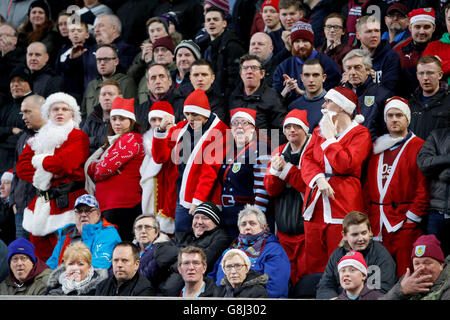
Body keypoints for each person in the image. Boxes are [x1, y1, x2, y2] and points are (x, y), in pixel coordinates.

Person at [301, 86, 372, 276]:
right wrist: (319, 179)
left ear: (341, 107)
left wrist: (331, 139)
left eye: (328, 101)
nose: (323, 105)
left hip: (343, 201)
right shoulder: (318, 131)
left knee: (342, 258)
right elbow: (306, 160)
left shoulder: (360, 134)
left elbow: (345, 164)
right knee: (314, 258)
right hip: (316, 202)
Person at [15, 92, 89, 261]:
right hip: (41, 205)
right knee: (42, 259)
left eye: (65, 109)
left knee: (68, 256)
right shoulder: (36, 139)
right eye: (55, 109)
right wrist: (52, 170)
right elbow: (22, 168)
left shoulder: (78, 136)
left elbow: (65, 164)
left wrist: (39, 161)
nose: (60, 112)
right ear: (48, 113)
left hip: (68, 203)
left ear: (73, 114)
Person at [364, 96, 429, 277]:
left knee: (404, 274)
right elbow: (368, 186)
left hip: (404, 223)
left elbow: (423, 187)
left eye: (399, 115)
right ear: (385, 119)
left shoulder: (418, 146)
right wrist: (367, 216)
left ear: (407, 119)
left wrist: (411, 218)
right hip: (377, 223)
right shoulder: (377, 147)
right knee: (376, 275)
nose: (394, 119)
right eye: (390, 115)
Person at [152, 89, 228, 232]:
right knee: (181, 242)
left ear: (205, 114)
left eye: (194, 114)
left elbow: (209, 170)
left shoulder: (221, 132)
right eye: (187, 114)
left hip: (202, 200)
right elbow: (160, 157)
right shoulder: (181, 127)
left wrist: (197, 201)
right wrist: (161, 131)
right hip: (180, 194)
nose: (190, 119)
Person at [86, 97, 144, 242]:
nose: (117, 123)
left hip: (122, 206)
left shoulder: (130, 138)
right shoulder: (113, 142)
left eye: (122, 119)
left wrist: (101, 167)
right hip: (112, 206)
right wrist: (103, 167)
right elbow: (96, 169)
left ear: (131, 121)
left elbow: (101, 171)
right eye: (114, 119)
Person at [264, 109, 311, 285]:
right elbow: (271, 189)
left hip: (306, 230)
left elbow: (309, 186)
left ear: (305, 129)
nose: (292, 130)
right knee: (285, 278)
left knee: (305, 278)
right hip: (283, 229)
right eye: (288, 127)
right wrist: (275, 173)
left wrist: (286, 170)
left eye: (296, 126)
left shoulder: (312, 149)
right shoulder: (279, 151)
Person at [209, 205, 291, 298]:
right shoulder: (230, 250)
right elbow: (212, 277)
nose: (247, 227)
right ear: (239, 228)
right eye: (243, 224)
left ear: (263, 227)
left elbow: (275, 289)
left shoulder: (274, 250)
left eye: (252, 223)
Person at [149, 202, 230, 296]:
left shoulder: (221, 238)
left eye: (205, 218)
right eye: (196, 217)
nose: (199, 222)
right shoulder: (186, 235)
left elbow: (207, 259)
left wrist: (171, 266)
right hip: (162, 290)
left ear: (215, 222)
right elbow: (160, 250)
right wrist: (183, 258)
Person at [316, 211, 397, 299]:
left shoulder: (380, 254)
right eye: (355, 234)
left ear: (370, 232)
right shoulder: (337, 255)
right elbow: (325, 286)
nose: (360, 238)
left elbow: (385, 289)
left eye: (364, 233)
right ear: (344, 235)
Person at [220, 108, 271, 239]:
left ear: (253, 128)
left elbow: (262, 189)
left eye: (245, 123)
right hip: (226, 215)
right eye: (235, 123)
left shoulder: (260, 149)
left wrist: (257, 218)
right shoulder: (229, 150)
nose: (239, 127)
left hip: (246, 217)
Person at [273, 20, 341, 105]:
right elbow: (274, 101)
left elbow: (335, 97)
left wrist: (302, 92)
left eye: (305, 41)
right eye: (297, 41)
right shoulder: (283, 67)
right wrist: (286, 91)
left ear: (312, 43)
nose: (301, 45)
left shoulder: (328, 64)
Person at [46, 194, 121, 270]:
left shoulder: (108, 233)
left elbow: (99, 266)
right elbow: (51, 264)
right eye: (79, 211)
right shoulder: (66, 234)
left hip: (91, 279)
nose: (83, 214)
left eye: (88, 210)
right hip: (62, 278)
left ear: (98, 214)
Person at [10, 94, 46, 239]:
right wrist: (13, 199)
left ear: (43, 110)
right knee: (23, 255)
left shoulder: (55, 136)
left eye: (28, 112)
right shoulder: (23, 137)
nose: (24, 117)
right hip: (20, 208)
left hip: (42, 208)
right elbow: (16, 170)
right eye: (22, 112)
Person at [229, 54, 286, 144]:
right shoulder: (233, 97)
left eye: (254, 68)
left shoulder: (273, 97)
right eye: (245, 68)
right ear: (240, 74)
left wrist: (267, 149)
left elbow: (281, 132)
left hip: (263, 150)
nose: (249, 71)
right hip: (237, 151)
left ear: (262, 74)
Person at [139, 102, 177, 235]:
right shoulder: (147, 145)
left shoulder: (176, 141)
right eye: (153, 120)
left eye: (160, 119)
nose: (156, 123)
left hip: (168, 198)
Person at [342, 49, 394, 141]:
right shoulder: (338, 95)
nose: (353, 73)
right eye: (349, 68)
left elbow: (388, 132)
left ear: (368, 70)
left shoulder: (383, 95)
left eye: (357, 67)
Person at [417, 112, 450, 257]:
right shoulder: (437, 136)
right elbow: (423, 163)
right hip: (436, 212)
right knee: (431, 260)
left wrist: (442, 171)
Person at [380, 234, 450, 300]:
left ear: (441, 264)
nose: (422, 268)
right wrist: (401, 291)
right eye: (417, 263)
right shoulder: (406, 282)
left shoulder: (447, 285)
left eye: (427, 263)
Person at [81, 43, 137, 120]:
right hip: (91, 130)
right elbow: (83, 114)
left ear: (116, 61)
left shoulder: (126, 83)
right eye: (99, 60)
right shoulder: (91, 85)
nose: (102, 63)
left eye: (106, 59)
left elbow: (132, 113)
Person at [203, 6, 246, 98]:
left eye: (215, 19)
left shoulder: (233, 46)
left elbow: (236, 80)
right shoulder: (206, 48)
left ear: (224, 24)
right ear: (205, 26)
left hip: (227, 101)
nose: (211, 22)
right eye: (208, 20)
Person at [395, 7, 437, 98]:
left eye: (426, 27)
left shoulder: (441, 49)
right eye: (417, 27)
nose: (421, 31)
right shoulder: (399, 53)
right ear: (410, 27)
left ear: (434, 28)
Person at [409, 55, 450, 141]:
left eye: (430, 73)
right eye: (421, 73)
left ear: (440, 75)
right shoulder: (410, 103)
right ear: (417, 75)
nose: (425, 78)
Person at [355, 15, 401, 91]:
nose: (374, 35)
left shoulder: (391, 56)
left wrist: (368, 80)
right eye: (369, 31)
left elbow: (389, 91)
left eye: (377, 31)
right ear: (358, 35)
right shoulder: (353, 58)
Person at [0, 66, 30, 174]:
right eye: (12, 81)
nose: (15, 84)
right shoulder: (6, 107)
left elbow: (25, 137)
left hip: (19, 167)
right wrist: (11, 130)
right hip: (3, 165)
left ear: (29, 84)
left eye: (21, 80)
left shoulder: (34, 105)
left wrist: (3, 141)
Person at [81, 79, 122, 154]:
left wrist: (91, 141)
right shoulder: (92, 117)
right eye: (103, 94)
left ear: (120, 97)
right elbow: (80, 142)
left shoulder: (125, 119)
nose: (106, 98)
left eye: (110, 94)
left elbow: (117, 144)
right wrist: (101, 140)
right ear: (99, 98)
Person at [287, 58, 327, 133]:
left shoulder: (334, 105)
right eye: (307, 75)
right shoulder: (293, 107)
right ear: (301, 78)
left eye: (315, 75)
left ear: (323, 78)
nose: (311, 80)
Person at [17, 0, 60, 65]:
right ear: (29, 16)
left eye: (40, 12)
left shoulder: (52, 35)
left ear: (46, 17)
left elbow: (40, 54)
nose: (37, 15)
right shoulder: (22, 34)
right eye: (34, 12)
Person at [185, 59, 227, 123]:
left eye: (204, 75)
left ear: (212, 78)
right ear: (190, 78)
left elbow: (214, 129)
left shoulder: (220, 103)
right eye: (196, 75)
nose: (200, 79)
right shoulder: (182, 99)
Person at [134, 214, 170, 281]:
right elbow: (113, 270)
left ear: (156, 232)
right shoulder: (129, 248)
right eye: (139, 227)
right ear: (134, 232)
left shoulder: (163, 250)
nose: (143, 231)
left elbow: (147, 275)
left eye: (148, 227)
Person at [423, 3, 450, 86]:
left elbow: (435, 70)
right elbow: (426, 71)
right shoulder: (433, 46)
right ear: (445, 20)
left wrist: (441, 64)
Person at [0, 22, 26, 96]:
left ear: (15, 40)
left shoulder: (24, 55)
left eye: (6, 35)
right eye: (0, 35)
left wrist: (7, 54)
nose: (1, 38)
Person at [0, 169, 15, 244]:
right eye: (1, 182)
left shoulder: (16, 206)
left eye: (6, 183)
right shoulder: (2, 203)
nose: (1, 187)